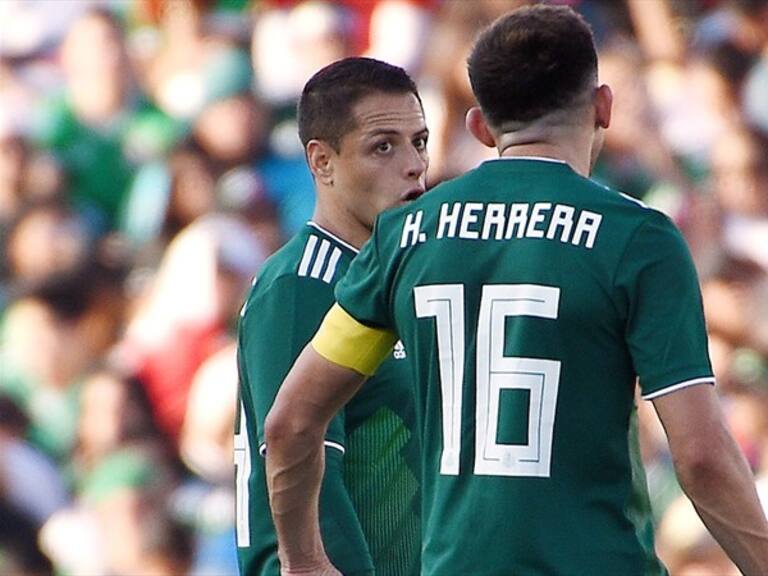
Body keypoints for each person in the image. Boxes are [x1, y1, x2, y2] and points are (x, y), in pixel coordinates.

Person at [264, 5, 768, 576]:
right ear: (603, 105)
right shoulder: (637, 238)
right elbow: (701, 457)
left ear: (481, 126)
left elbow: (290, 423)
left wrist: (303, 561)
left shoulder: (407, 234)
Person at [236, 57, 428, 575]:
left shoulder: (402, 279)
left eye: (420, 142)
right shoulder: (303, 286)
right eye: (383, 146)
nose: (413, 164)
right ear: (322, 162)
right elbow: (303, 458)